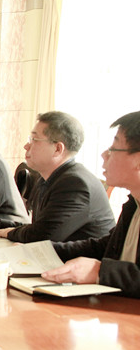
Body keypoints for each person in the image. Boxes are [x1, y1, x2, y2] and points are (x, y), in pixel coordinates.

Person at [0, 111, 114, 242]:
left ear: (57, 149)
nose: (26, 146)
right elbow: (38, 228)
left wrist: (7, 232)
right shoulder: (50, 177)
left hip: (75, 265)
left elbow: (42, 236)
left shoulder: (75, 183)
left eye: (34, 140)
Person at [42, 111, 140, 297]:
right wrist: (44, 251)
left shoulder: (75, 181)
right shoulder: (134, 204)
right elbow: (106, 246)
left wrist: (101, 271)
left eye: (113, 148)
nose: (104, 155)